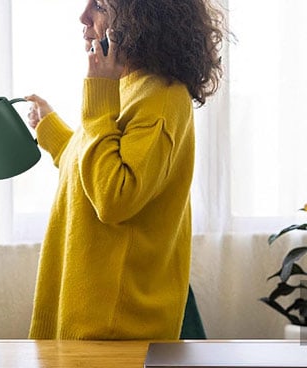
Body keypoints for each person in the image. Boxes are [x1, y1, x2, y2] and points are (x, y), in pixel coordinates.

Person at [25, 0, 225, 340]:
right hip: (87, 318)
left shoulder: (161, 98)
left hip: (115, 328)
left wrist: (98, 94)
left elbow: (114, 196)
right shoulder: (129, 87)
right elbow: (91, 170)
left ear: (142, 18)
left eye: (99, 5)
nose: (84, 16)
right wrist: (52, 131)